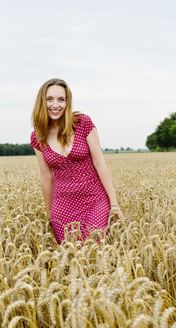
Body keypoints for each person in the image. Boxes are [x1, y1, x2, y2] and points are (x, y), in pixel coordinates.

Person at [30, 78, 125, 244]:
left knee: (95, 249)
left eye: (61, 99)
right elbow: (46, 176)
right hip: (63, 207)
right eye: (49, 99)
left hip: (95, 200)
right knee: (72, 258)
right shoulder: (38, 137)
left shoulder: (83, 123)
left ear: (68, 102)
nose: (55, 105)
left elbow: (99, 163)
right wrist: (50, 214)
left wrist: (114, 204)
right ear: (42, 102)